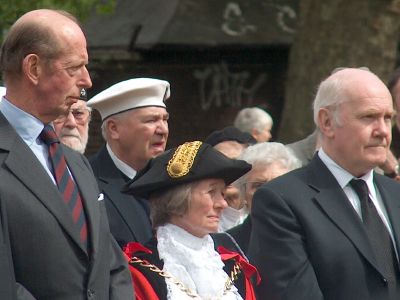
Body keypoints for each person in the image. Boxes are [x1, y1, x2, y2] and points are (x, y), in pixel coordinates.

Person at [0, 9, 133, 299]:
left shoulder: (74, 162)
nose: (86, 80)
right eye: (74, 68)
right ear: (33, 68)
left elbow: (110, 264)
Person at [248, 67, 400, 299]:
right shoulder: (281, 201)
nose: (382, 131)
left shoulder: (395, 194)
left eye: (388, 118)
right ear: (327, 122)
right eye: (368, 117)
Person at [122, 141, 260, 299]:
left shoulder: (232, 268)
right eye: (211, 192)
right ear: (177, 200)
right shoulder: (141, 271)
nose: (222, 203)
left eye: (222, 193)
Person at [87, 78, 170, 247]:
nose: (163, 130)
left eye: (165, 119)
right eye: (151, 120)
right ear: (114, 129)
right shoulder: (87, 182)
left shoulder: (174, 180)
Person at [228, 142, 301, 253]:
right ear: (243, 193)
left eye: (279, 184)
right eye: (258, 185)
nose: (270, 194)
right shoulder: (225, 245)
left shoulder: (311, 240)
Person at [205, 126, 256, 231]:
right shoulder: (196, 219)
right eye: (219, 162)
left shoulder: (261, 218)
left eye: (235, 162)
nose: (228, 170)